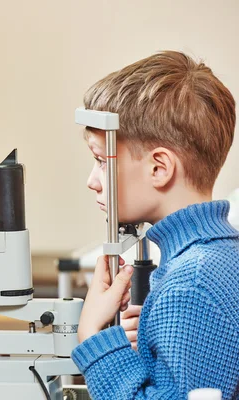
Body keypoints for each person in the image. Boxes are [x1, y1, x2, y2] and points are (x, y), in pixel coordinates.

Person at [72, 51, 239, 398]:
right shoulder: (218, 256)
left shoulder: (191, 285)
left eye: (102, 161)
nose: (92, 180)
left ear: (159, 168)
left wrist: (96, 338)